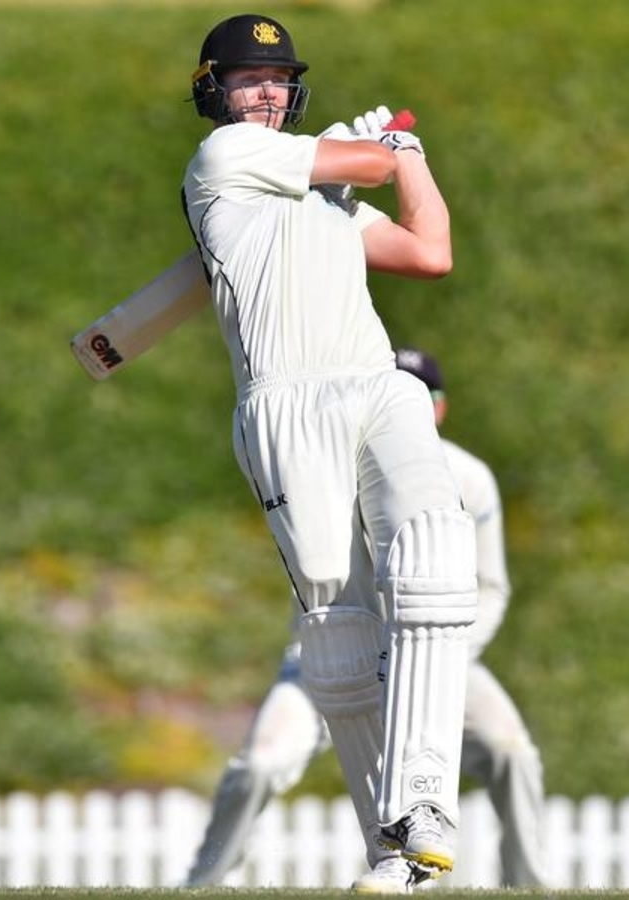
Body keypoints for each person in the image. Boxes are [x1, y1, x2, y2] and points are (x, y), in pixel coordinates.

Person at [182, 13, 476, 894]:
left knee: (433, 555)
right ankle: (395, 853)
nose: (265, 93)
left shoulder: (329, 197)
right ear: (215, 91)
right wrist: (378, 152)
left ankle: (422, 804)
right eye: (248, 79)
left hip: (376, 384)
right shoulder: (223, 158)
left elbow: (430, 252)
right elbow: (365, 165)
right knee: (336, 622)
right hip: (285, 404)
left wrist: (403, 152)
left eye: (277, 80)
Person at [184, 348, 548, 891]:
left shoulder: (470, 479)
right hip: (332, 653)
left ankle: (530, 884)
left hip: (439, 656)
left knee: (510, 750)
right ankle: (202, 883)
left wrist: (437, 663)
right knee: (261, 763)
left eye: (423, 396)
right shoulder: (329, 470)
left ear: (439, 408)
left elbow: (489, 588)